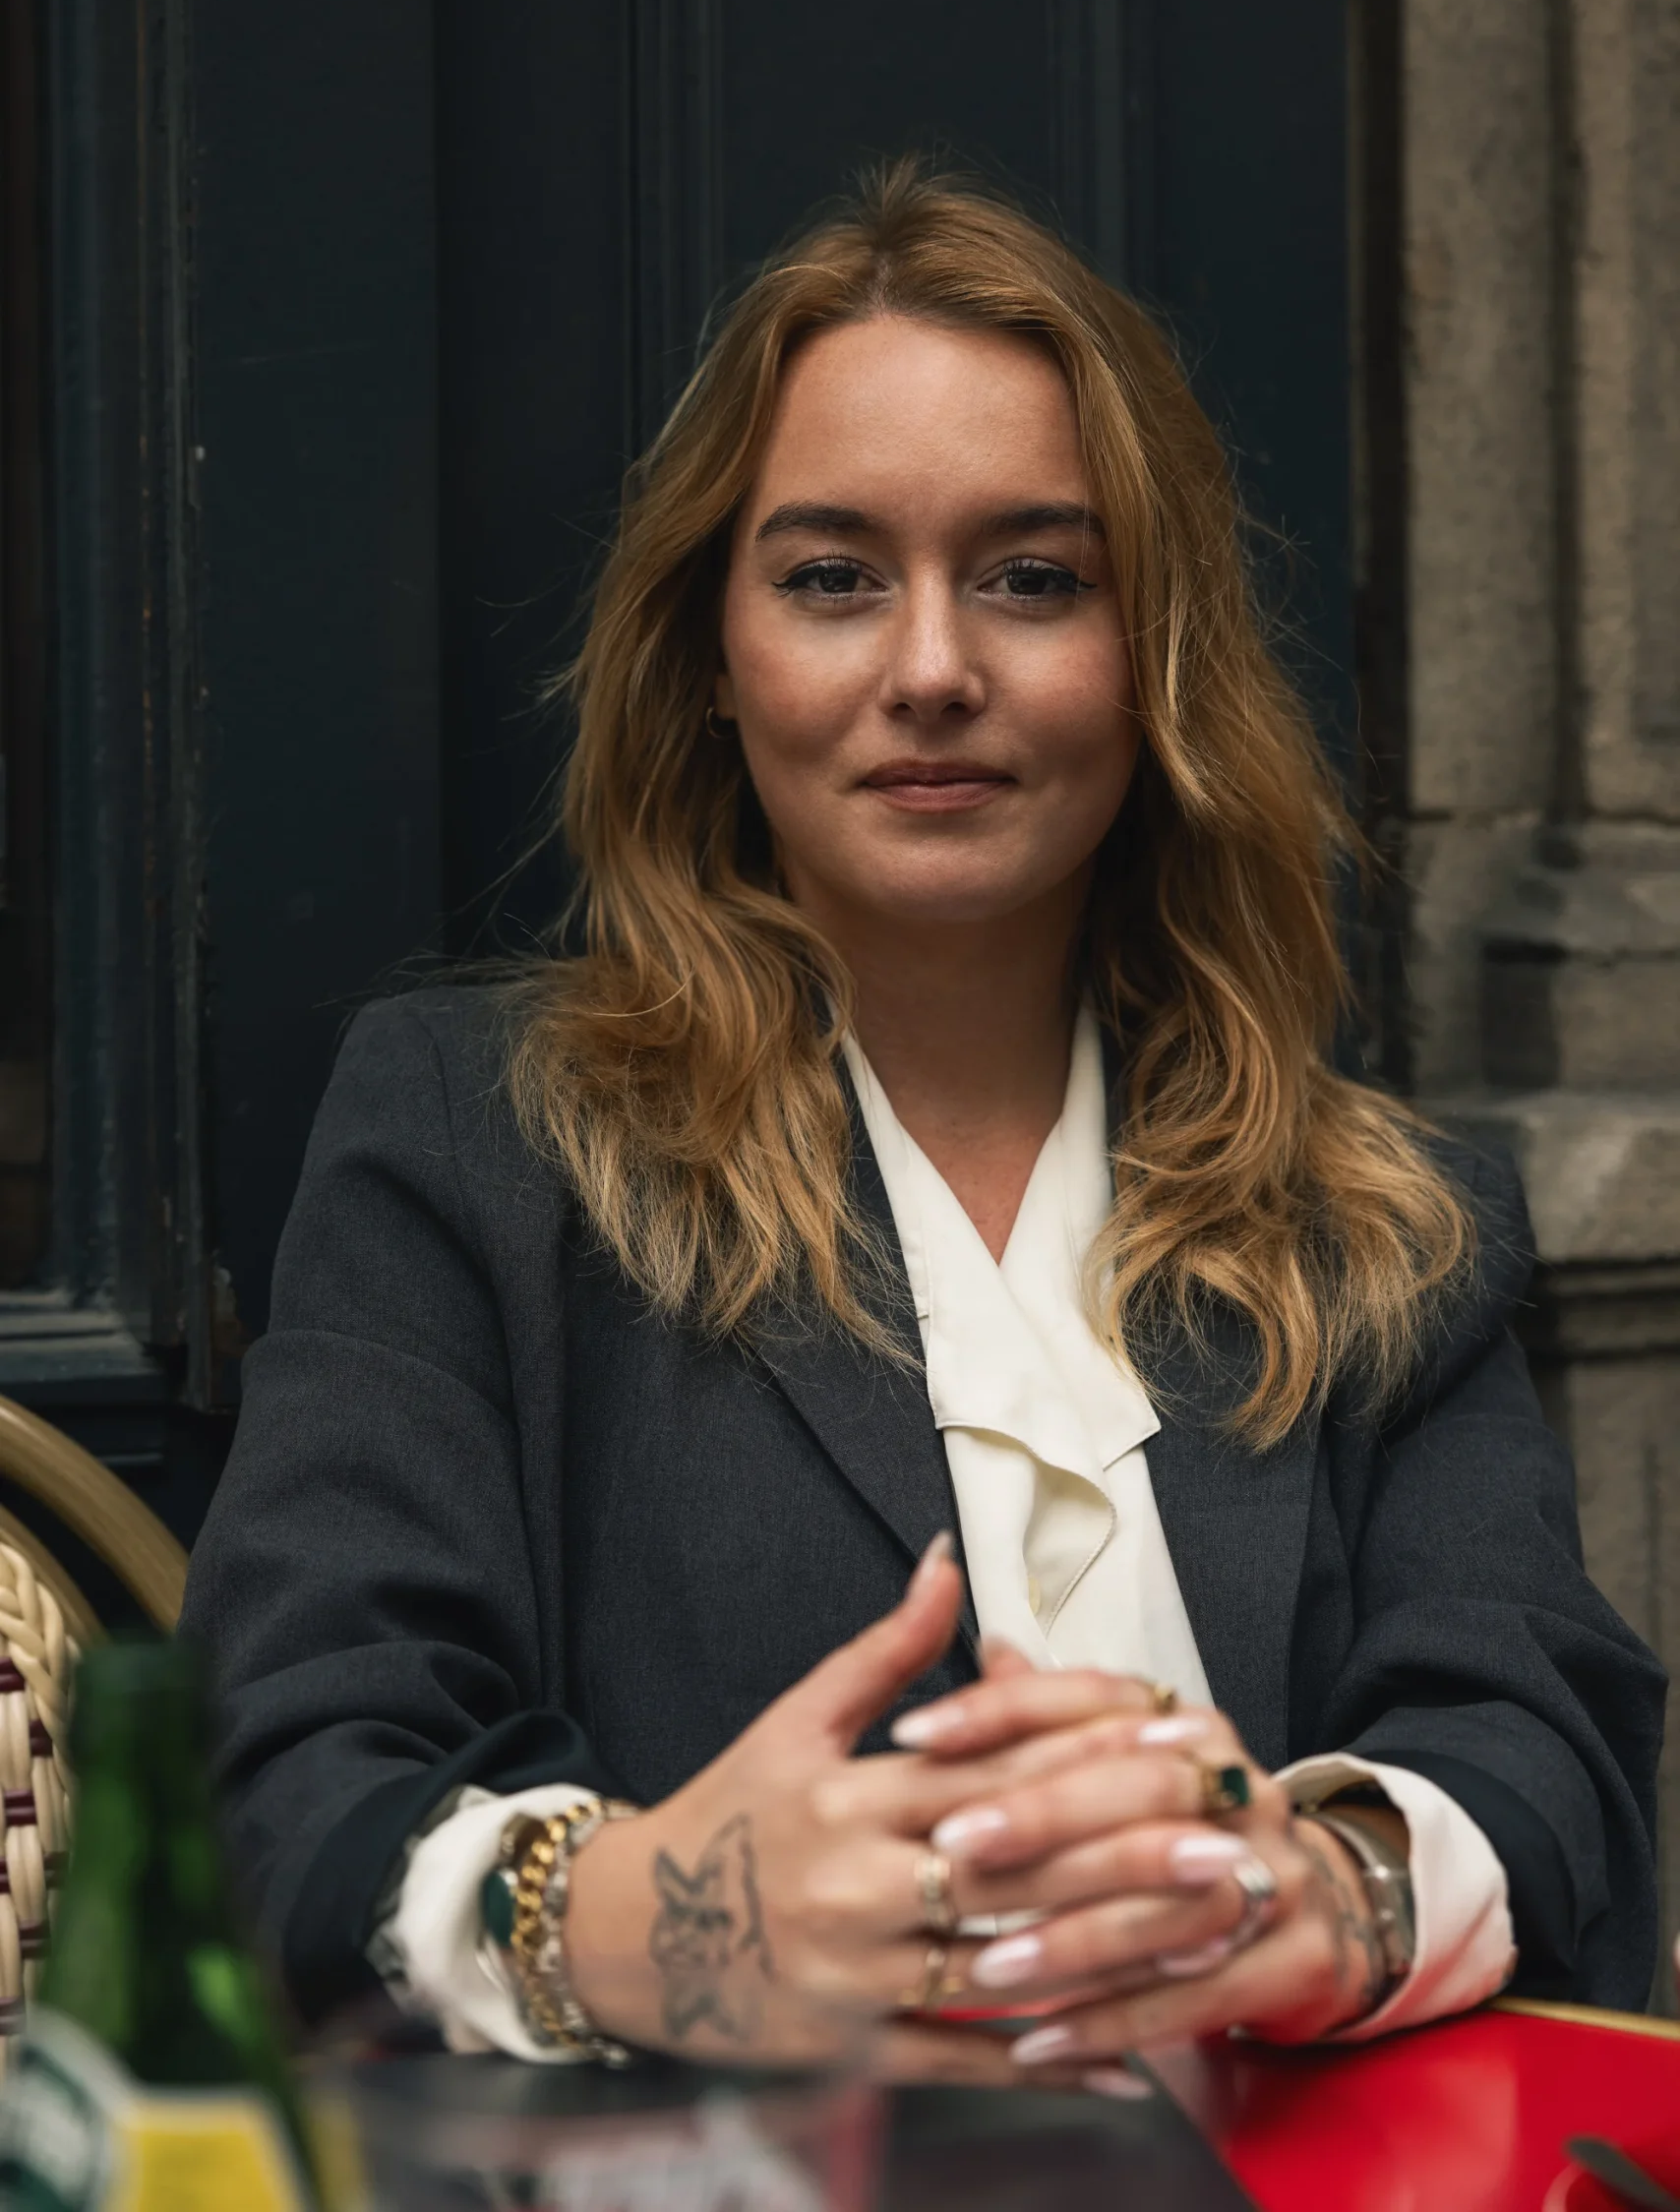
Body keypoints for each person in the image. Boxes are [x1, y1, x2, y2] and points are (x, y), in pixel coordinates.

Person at [182, 164, 1663, 2086]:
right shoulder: (479, 1148)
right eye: (830, 575)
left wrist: (1325, 1886)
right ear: (714, 659)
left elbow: (1535, 1736)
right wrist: (650, 1908)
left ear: (1152, 660)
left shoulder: (1377, 1217)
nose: (934, 666)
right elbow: (282, 1770)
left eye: (1032, 575)